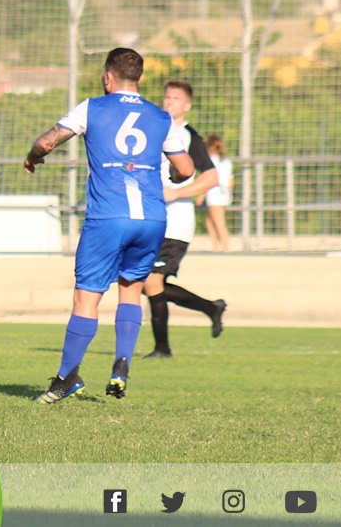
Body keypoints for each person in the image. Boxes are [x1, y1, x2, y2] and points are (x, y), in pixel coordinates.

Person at [24, 48, 193, 404]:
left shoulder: (92, 107)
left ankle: (65, 378)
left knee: (87, 296)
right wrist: (173, 171)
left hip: (108, 216)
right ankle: (120, 368)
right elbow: (186, 170)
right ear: (140, 79)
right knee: (131, 289)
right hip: (150, 219)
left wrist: (33, 156)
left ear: (107, 77)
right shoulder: (161, 117)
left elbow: (47, 141)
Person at [142, 81, 226, 360]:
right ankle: (210, 307)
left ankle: (162, 349)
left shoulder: (190, 137)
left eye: (176, 99)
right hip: (150, 220)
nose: (169, 102)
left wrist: (176, 192)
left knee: (152, 282)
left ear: (186, 105)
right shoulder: (155, 130)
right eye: (166, 97)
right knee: (147, 283)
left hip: (176, 224)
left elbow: (211, 177)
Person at [201, 134, 233, 252]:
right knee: (210, 220)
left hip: (214, 193)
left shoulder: (211, 161)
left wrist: (201, 194)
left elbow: (207, 179)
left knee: (219, 222)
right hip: (223, 193)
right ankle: (215, 246)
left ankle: (225, 248)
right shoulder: (225, 161)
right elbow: (230, 179)